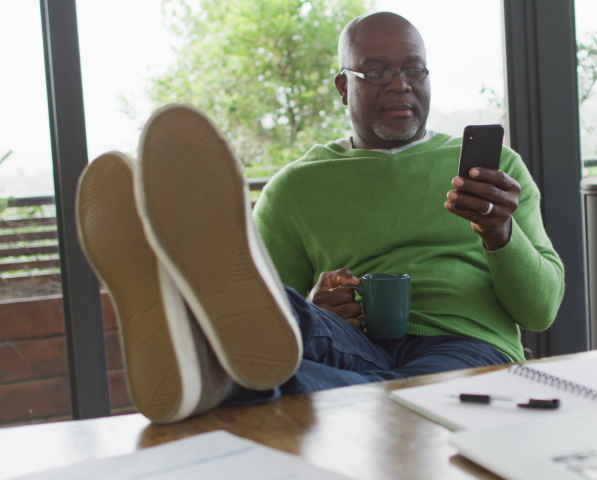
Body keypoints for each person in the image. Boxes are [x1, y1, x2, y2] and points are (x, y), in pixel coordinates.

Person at [75, 11, 563, 424]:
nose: (400, 84)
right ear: (341, 87)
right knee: (283, 318)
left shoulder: (494, 171)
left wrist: (500, 231)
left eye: (414, 69)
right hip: (350, 343)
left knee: (335, 388)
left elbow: (540, 310)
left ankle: (208, 380)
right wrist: (316, 304)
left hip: (466, 345)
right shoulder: (296, 187)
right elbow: (262, 319)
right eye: (376, 72)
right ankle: (183, 306)